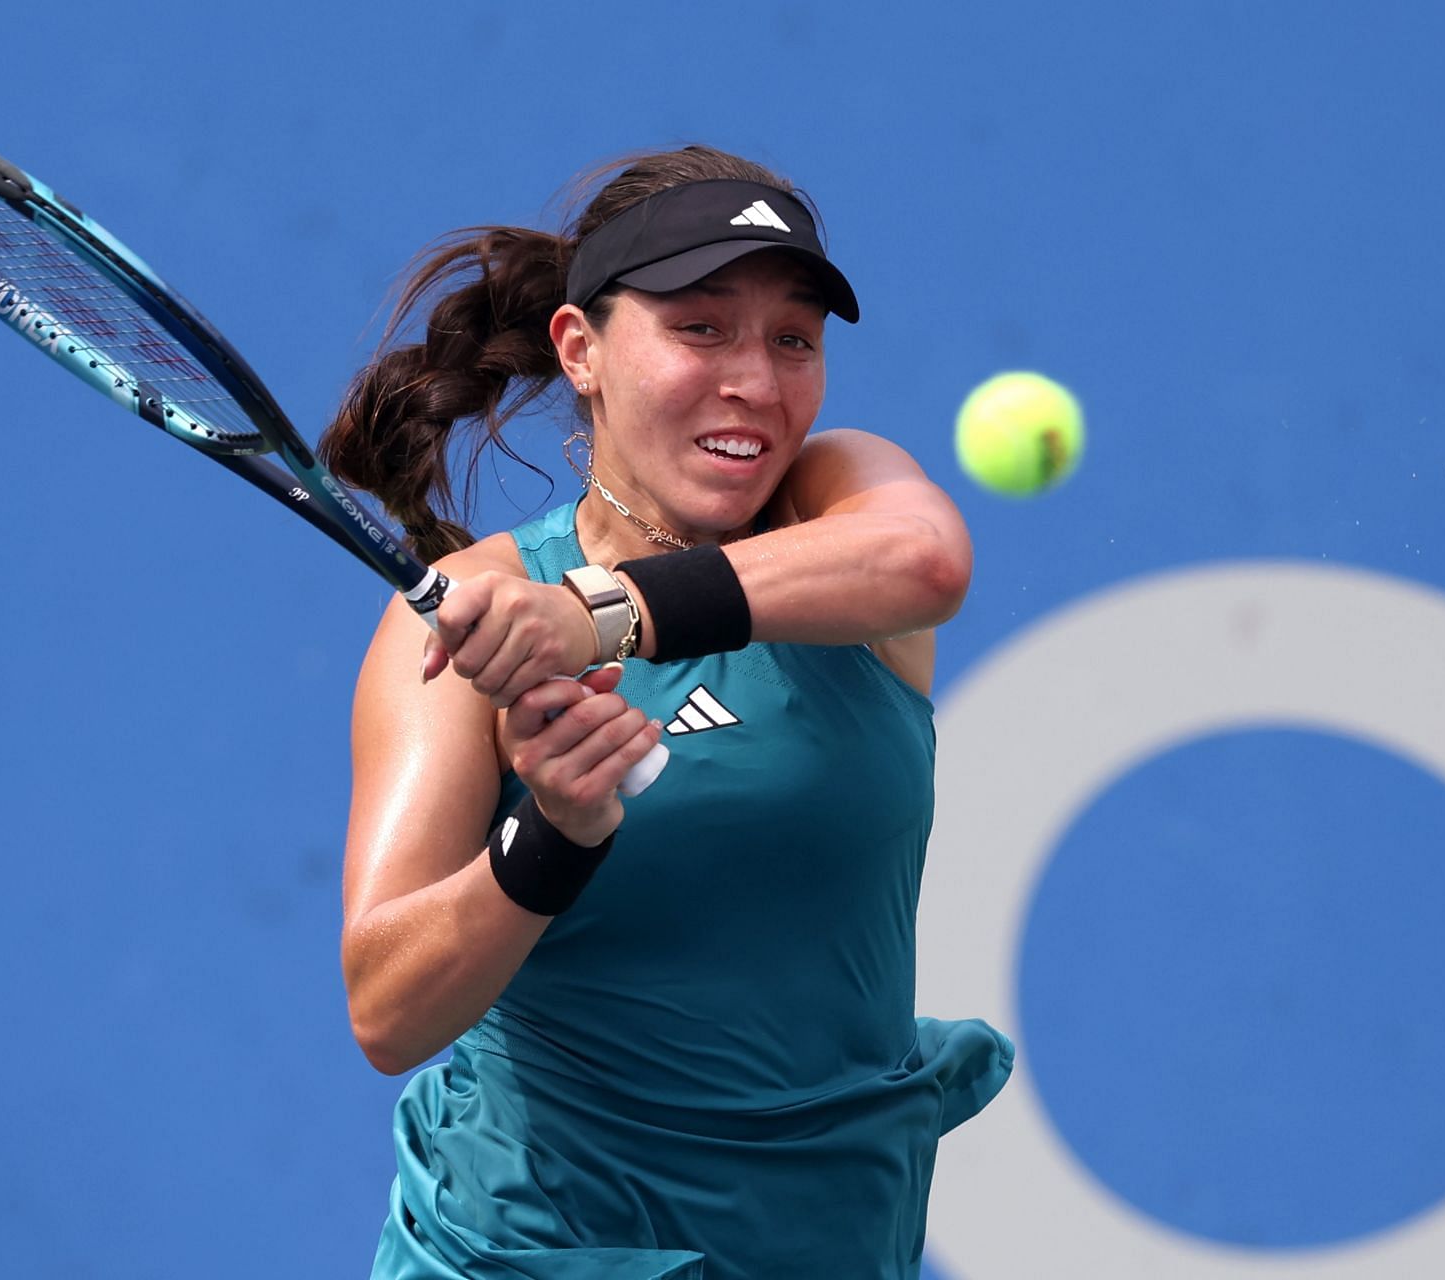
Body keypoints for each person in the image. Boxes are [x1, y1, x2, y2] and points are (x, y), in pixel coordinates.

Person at [323, 144, 1014, 1280]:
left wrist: (600, 616)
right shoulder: (454, 627)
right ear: (580, 350)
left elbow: (927, 558)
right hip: (533, 1255)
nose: (758, 378)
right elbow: (387, 1007)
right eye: (702, 327)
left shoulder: (839, 502)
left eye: (793, 338)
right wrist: (550, 836)